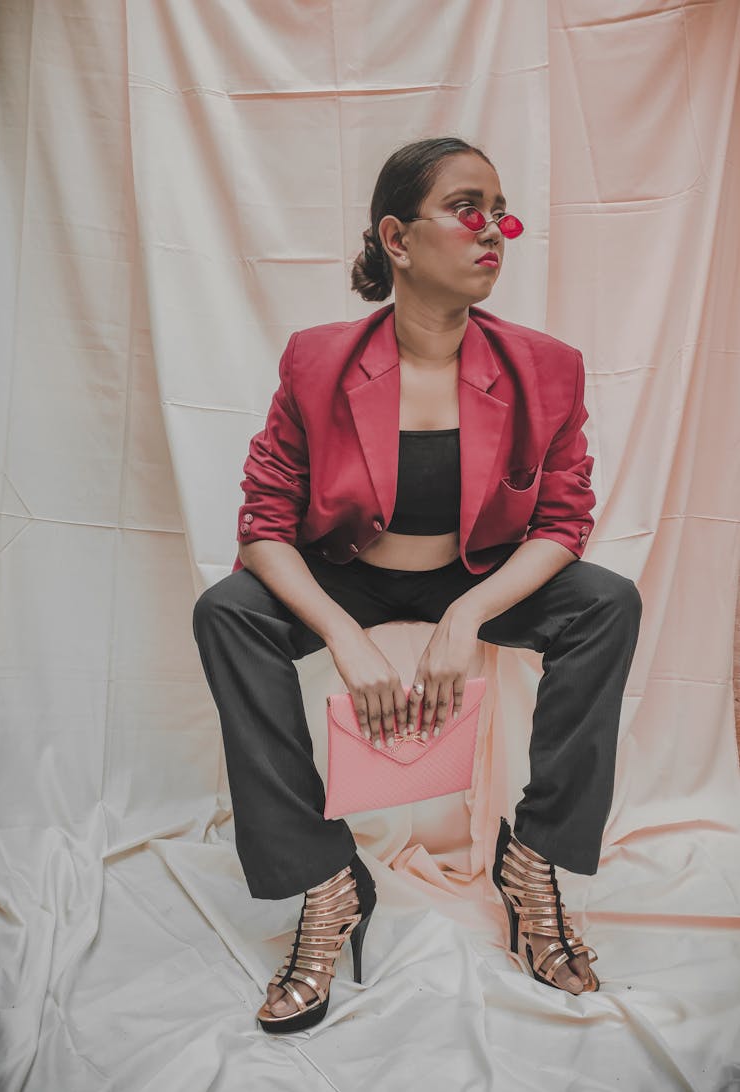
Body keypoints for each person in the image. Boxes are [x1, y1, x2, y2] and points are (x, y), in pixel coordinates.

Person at [192, 136, 642, 1033]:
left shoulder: (545, 367)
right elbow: (265, 525)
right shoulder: (317, 360)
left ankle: (533, 861)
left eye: (500, 209)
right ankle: (325, 882)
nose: (495, 231)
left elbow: (562, 521)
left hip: (477, 577)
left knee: (607, 602)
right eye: (468, 208)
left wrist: (471, 612)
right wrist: (345, 636)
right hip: (351, 578)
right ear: (396, 238)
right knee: (227, 612)